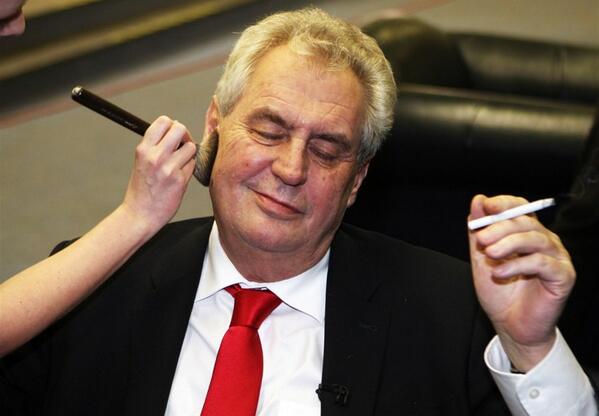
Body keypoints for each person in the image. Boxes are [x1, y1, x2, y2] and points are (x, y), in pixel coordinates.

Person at [0, 8, 597, 415]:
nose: (290, 168)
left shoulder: (452, 315)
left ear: (357, 179)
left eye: (327, 149)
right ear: (215, 126)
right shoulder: (86, 289)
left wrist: (532, 348)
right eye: (268, 130)